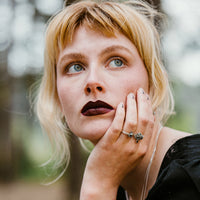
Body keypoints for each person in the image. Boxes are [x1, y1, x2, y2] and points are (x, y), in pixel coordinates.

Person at [35, 0, 200, 199]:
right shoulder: (118, 181)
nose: (92, 82)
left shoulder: (193, 174)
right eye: (75, 66)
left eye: (116, 61)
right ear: (58, 96)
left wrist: (98, 185)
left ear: (153, 81)